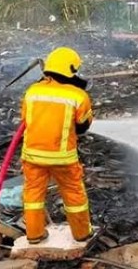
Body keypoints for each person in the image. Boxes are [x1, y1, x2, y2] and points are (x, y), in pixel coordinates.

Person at [21, 47, 94, 244]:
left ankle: (34, 234)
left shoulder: (32, 92)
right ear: (70, 69)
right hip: (63, 158)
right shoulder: (78, 96)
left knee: (33, 194)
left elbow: (25, 120)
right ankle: (81, 233)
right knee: (73, 193)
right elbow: (83, 126)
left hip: (32, 156)